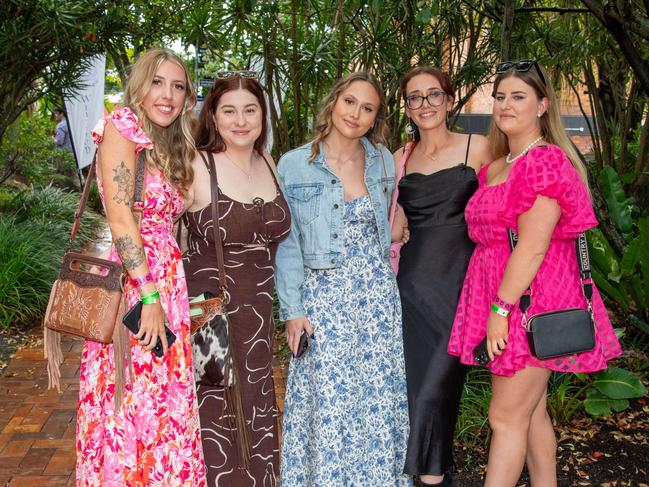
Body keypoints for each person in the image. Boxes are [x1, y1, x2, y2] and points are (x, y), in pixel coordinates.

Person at [447, 60, 622, 486]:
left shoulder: (544, 161)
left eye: (518, 97)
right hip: (510, 296)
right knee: (532, 411)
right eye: (501, 96)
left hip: (527, 301)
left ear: (543, 105)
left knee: (505, 418)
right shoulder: (498, 165)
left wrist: (500, 309)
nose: (505, 105)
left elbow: (533, 245)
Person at [76, 48, 206, 485]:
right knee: (132, 396)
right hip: (139, 283)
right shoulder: (122, 126)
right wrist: (148, 294)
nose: (167, 95)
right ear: (139, 85)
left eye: (177, 86)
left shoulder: (169, 141)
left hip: (167, 281)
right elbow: (119, 217)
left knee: (163, 399)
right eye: (157, 82)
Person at [276, 71, 412, 487]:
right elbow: (288, 243)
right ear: (333, 103)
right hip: (324, 299)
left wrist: (400, 223)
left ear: (376, 118)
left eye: (367, 108)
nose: (356, 113)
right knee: (328, 402)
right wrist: (293, 310)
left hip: (375, 298)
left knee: (376, 398)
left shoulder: (384, 161)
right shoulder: (295, 164)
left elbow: (387, 221)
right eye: (350, 102)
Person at [181, 71, 291, 486]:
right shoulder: (197, 165)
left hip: (259, 310)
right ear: (213, 114)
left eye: (250, 110)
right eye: (229, 110)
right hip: (208, 306)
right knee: (215, 407)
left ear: (263, 115)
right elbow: (155, 227)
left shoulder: (269, 163)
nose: (240, 120)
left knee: (257, 401)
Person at [392, 66, 490, 487]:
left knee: (435, 393)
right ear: (406, 107)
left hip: (461, 291)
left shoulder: (480, 147)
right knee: (420, 397)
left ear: (450, 100)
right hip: (410, 291)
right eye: (415, 97)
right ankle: (435, 477)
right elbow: (382, 219)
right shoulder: (400, 158)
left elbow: (505, 211)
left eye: (434, 95)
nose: (425, 104)